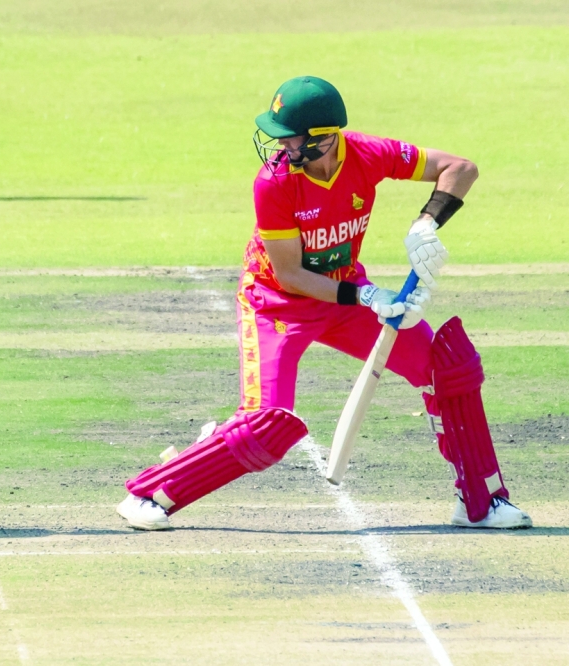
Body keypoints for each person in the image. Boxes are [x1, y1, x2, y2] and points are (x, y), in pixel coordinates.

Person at [116, 76, 532, 531]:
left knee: (446, 368)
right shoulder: (274, 182)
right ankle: (152, 492)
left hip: (345, 294)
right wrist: (369, 296)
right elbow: (291, 275)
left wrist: (426, 224)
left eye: (289, 136)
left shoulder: (367, 154)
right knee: (266, 425)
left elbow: (461, 168)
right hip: (276, 303)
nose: (280, 145)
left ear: (323, 138)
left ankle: (481, 500)